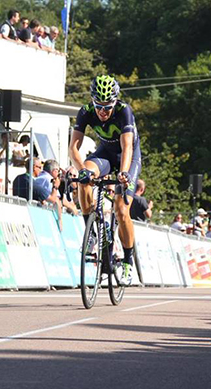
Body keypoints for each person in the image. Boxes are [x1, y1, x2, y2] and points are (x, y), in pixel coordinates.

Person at [69, 75, 142, 285]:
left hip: (128, 158)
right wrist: (82, 169)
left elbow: (127, 146)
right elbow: (73, 147)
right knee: (84, 180)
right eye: (98, 105)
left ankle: (128, 261)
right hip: (105, 155)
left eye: (107, 106)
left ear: (115, 102)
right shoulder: (85, 112)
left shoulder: (124, 111)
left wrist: (125, 173)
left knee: (121, 210)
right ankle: (91, 231)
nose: (102, 111)